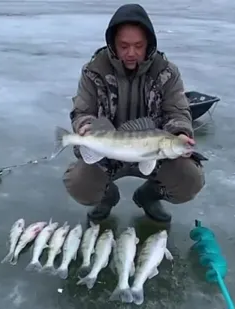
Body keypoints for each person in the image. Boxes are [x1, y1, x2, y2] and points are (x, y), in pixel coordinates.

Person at [62, 3, 205, 223]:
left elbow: (177, 110)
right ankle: (106, 198)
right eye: (124, 45)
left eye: (138, 45)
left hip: (153, 152)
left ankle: (149, 196)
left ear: (148, 43)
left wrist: (180, 133)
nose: (131, 53)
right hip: (107, 152)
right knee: (80, 184)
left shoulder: (167, 71)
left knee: (190, 180)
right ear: (113, 45)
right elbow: (83, 110)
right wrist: (85, 125)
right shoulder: (93, 71)